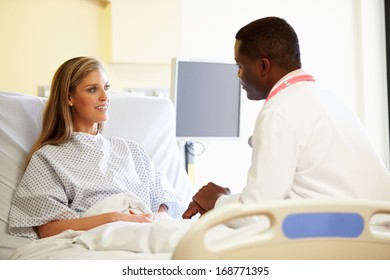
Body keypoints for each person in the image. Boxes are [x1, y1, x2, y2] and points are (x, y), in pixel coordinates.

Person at [182, 16, 390, 220]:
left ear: (264, 66)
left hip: (338, 243)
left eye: (240, 67)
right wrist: (225, 200)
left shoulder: (278, 110)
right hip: (374, 237)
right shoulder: (329, 101)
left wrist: (216, 201)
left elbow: (256, 214)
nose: (238, 76)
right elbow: (283, 198)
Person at [9, 57, 185, 239]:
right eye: (93, 89)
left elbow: (167, 199)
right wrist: (115, 218)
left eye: (106, 88)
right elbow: (48, 230)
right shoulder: (48, 158)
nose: (105, 97)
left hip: (151, 233)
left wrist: (158, 217)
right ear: (69, 98)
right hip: (102, 239)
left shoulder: (132, 150)